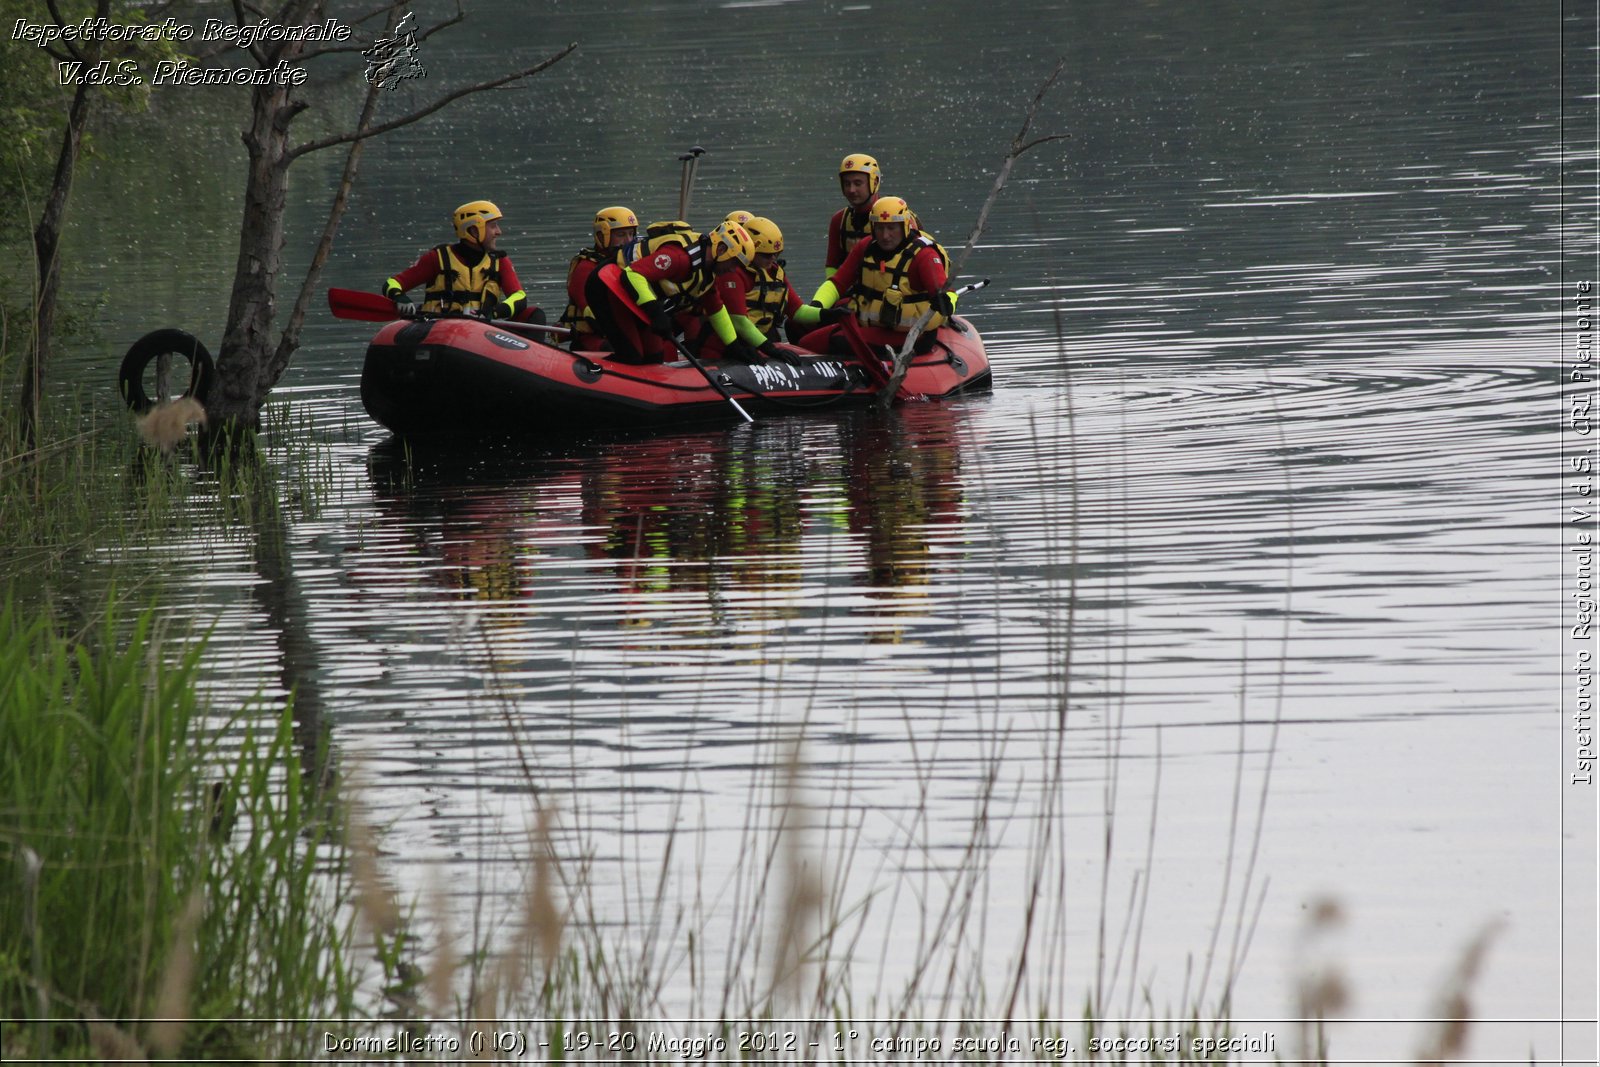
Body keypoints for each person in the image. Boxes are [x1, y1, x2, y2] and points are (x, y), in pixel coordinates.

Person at [794, 195, 957, 359]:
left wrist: (947, 302)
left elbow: (947, 291)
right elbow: (837, 284)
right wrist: (817, 307)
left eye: (891, 228)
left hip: (913, 336)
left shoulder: (924, 256)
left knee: (834, 341)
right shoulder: (866, 247)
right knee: (796, 327)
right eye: (879, 228)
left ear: (904, 226)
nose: (885, 236)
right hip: (873, 325)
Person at [586, 221, 761, 364]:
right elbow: (632, 275)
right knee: (632, 357)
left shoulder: (707, 272)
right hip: (608, 287)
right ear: (722, 250)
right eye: (734, 263)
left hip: (635, 299)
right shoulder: (680, 258)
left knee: (654, 357)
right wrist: (656, 314)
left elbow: (716, 309)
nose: (733, 270)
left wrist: (734, 346)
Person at [384, 200, 530, 321]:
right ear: (474, 230)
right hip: (438, 328)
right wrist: (399, 297)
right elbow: (392, 283)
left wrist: (495, 312)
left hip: (481, 332)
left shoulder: (499, 261)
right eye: (493, 226)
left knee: (535, 315)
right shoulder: (437, 258)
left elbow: (519, 297)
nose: (499, 232)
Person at [706, 216, 821, 360]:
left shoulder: (774, 272)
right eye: (767, 256)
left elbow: (797, 310)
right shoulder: (731, 272)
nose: (773, 259)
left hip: (762, 341)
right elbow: (738, 321)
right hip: (731, 345)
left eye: (776, 254)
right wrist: (770, 349)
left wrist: (828, 314)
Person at [561, 205, 638, 351]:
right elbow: (592, 315)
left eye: (631, 234)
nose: (629, 241)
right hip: (593, 338)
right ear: (603, 235)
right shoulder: (586, 268)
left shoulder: (633, 263)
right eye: (621, 235)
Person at [823, 153, 881, 282]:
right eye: (847, 184)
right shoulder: (839, 220)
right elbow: (832, 266)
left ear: (874, 182)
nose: (851, 190)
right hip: (850, 296)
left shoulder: (897, 218)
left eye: (858, 183)